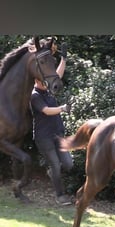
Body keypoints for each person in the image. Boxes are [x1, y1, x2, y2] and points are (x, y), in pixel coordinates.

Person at [30, 42, 73, 205]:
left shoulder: (48, 88)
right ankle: (60, 196)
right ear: (36, 79)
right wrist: (62, 108)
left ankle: (52, 173)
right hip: (44, 137)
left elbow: (58, 75)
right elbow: (47, 110)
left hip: (57, 133)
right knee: (56, 165)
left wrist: (64, 58)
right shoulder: (34, 96)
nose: (45, 81)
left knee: (68, 164)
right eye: (42, 80)